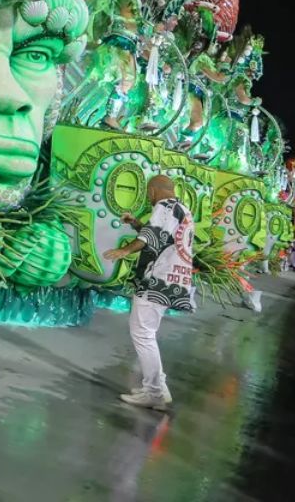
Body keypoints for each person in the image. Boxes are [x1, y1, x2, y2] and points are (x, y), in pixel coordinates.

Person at [102, 174, 194, 412]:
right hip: (172, 281)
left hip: (156, 280)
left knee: (143, 334)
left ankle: (154, 392)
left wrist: (124, 251)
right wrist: (135, 224)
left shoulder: (163, 206)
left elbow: (149, 239)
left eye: (147, 193)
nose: (147, 197)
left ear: (153, 191)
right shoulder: (182, 208)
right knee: (147, 333)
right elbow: (159, 236)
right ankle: (158, 388)